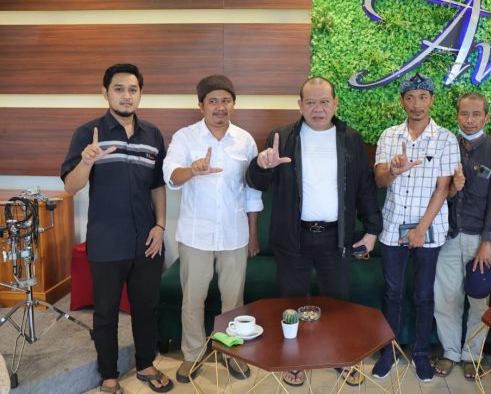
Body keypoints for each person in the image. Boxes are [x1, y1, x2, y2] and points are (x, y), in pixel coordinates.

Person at [245, 76, 382, 387]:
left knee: (338, 302)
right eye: (310, 102)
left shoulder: (351, 139)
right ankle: (295, 360)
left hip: (336, 237)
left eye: (324, 102)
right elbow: (256, 182)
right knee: (290, 302)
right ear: (300, 105)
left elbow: (364, 187)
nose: (317, 108)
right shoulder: (282, 137)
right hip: (293, 237)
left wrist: (372, 230)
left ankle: (340, 356)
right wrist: (261, 165)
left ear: (335, 104)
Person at [61, 64, 172, 394]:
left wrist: (161, 225)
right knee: (106, 312)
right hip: (107, 239)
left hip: (147, 240)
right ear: (105, 92)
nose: (126, 95)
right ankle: (108, 375)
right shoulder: (88, 133)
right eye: (119, 89)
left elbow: (157, 185)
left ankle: (145, 364)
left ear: (140, 94)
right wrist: (87, 161)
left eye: (133, 89)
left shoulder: (152, 135)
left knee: (146, 307)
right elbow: (70, 187)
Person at [162, 75, 262, 383]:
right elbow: (171, 176)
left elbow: (252, 191)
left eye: (225, 100)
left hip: (234, 234)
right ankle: (192, 356)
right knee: (193, 300)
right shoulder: (185, 137)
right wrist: (192, 170)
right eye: (213, 101)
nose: (220, 107)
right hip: (196, 235)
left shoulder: (245, 140)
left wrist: (253, 234)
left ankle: (232, 353)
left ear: (233, 104)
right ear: (201, 105)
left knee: (233, 301)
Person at [371, 73, 459, 383]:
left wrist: (421, 229)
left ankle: (421, 353)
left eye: (422, 97)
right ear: (402, 101)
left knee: (423, 294)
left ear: (432, 100)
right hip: (393, 224)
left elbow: (443, 188)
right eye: (410, 97)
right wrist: (394, 171)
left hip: (430, 229)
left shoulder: (445, 138)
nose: (416, 104)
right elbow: (380, 179)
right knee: (392, 293)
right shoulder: (389, 135)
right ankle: (389, 351)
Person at [432, 92, 491, 379]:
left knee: (479, 301)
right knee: (445, 299)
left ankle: (472, 354)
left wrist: (488, 243)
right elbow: (439, 194)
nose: (469, 120)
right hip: (449, 236)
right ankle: (451, 352)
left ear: (486, 117)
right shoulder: (447, 146)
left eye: (476, 114)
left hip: (482, 240)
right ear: (457, 116)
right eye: (464, 114)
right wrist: (454, 189)